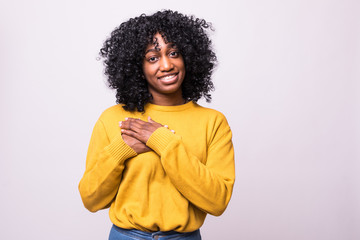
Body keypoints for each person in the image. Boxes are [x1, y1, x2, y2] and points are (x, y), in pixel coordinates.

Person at [78, 10, 235, 240]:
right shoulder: (112, 119)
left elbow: (217, 201)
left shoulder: (213, 122)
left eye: (174, 53)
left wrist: (164, 142)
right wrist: (120, 150)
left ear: (188, 57)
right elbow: (91, 199)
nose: (166, 64)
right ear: (137, 66)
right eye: (153, 57)